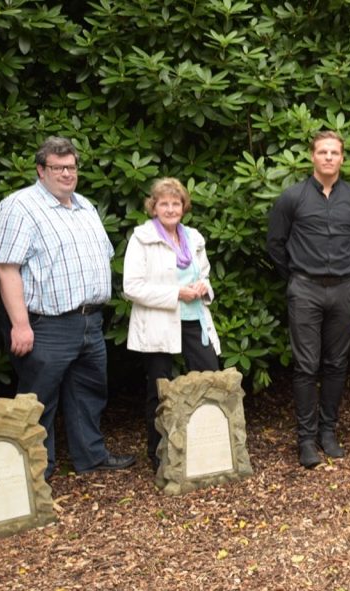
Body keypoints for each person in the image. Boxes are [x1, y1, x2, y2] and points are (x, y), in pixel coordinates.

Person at [0, 136, 135, 479]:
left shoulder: (84, 206)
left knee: (89, 392)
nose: (66, 173)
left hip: (88, 320)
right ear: (41, 170)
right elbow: (5, 269)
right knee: (39, 399)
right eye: (58, 167)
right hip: (45, 323)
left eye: (71, 166)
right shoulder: (18, 207)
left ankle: (90, 457)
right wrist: (20, 325)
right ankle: (36, 470)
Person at [267, 131, 350, 469]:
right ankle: (306, 440)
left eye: (334, 152)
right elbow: (276, 244)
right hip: (305, 288)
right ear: (312, 156)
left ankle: (328, 432)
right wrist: (296, 278)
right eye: (322, 152)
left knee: (337, 364)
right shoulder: (292, 197)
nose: (328, 157)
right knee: (306, 366)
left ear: (342, 158)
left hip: (342, 289)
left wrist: (344, 271)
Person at [123, 177, 221, 470]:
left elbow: (203, 273)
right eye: (163, 203)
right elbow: (131, 286)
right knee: (159, 390)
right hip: (159, 322)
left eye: (175, 203)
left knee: (210, 381)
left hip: (194, 319)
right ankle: (159, 455)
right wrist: (175, 293)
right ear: (153, 207)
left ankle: (208, 449)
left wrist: (204, 286)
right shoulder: (141, 238)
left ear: (183, 206)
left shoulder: (193, 236)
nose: (170, 208)